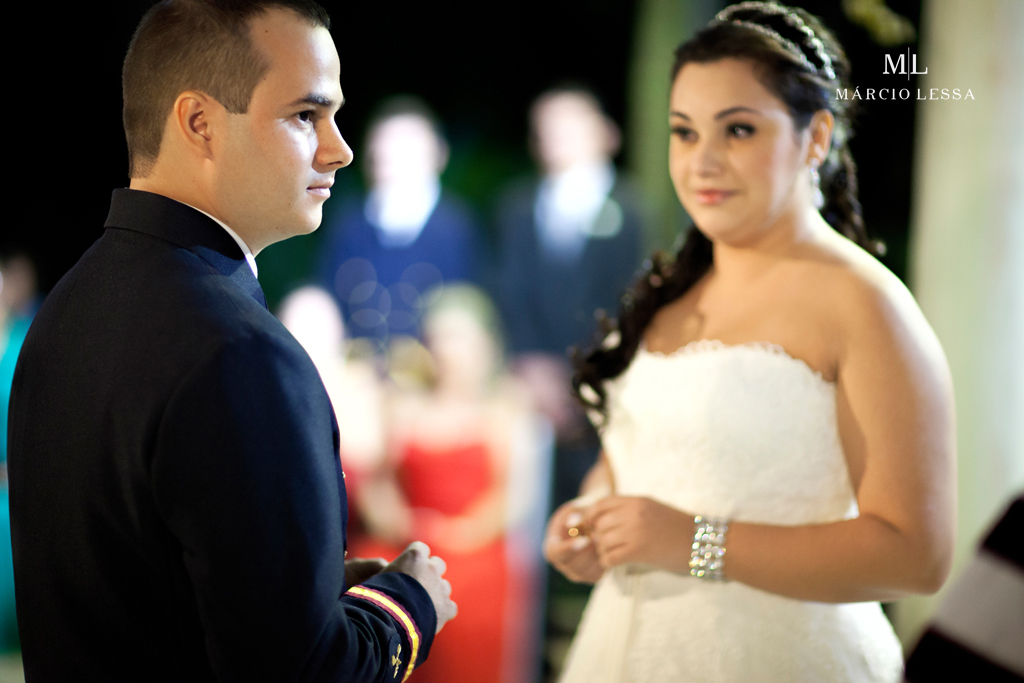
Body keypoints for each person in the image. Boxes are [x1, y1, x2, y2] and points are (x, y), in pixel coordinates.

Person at [7, 2, 455, 680]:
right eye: (306, 115)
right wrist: (407, 603)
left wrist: (301, 586)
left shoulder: (66, 308)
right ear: (200, 123)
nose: (340, 148)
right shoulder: (238, 349)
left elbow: (141, 584)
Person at [544, 3, 956, 682]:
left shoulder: (865, 305)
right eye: (684, 132)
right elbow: (641, 456)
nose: (702, 161)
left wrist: (695, 542)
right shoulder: (668, 294)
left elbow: (916, 553)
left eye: (737, 129)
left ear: (816, 136)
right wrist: (593, 513)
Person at [354, 285, 545, 683]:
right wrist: (403, 524)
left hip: (471, 548)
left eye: (457, 337)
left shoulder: (504, 408)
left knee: (468, 591)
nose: (446, 349)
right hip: (406, 542)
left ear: (485, 344)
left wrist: (456, 534)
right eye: (438, 337)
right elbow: (378, 484)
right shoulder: (402, 405)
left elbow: (510, 497)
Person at [318, 97, 482, 350]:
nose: (393, 161)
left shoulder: (459, 227)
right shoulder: (349, 224)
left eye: (407, 151)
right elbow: (326, 295)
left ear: (438, 154)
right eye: (385, 151)